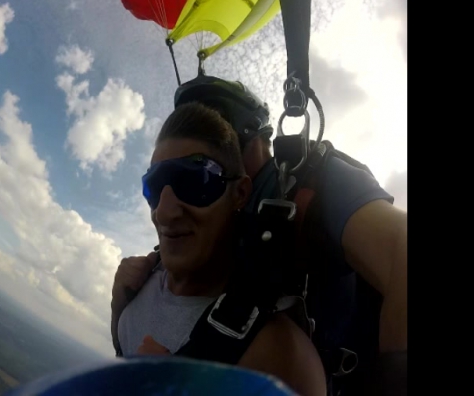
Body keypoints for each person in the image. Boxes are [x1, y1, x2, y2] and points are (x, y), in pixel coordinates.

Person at [112, 75, 407, 395]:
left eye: (198, 170)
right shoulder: (207, 217)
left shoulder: (314, 179)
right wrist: (124, 301)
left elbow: (401, 251)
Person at [116, 101, 327, 396]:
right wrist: (118, 305)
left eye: (194, 181)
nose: (163, 212)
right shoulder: (137, 285)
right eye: (153, 187)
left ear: (239, 193)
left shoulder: (277, 354)